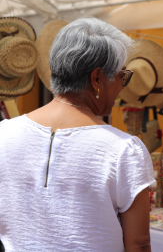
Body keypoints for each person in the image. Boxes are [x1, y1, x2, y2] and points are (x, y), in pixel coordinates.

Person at [0, 18, 154, 252]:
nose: (122, 85)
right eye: (122, 76)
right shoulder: (124, 150)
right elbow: (139, 244)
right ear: (97, 78)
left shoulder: (4, 134)